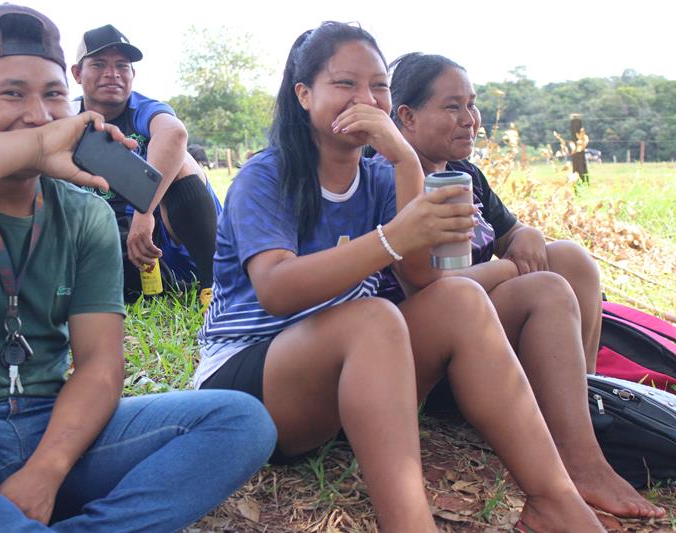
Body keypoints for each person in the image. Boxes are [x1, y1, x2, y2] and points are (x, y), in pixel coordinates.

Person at [194, 21, 611, 533]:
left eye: (379, 87)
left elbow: (426, 284)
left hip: (348, 381)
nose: (365, 99)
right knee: (373, 317)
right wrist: (392, 237)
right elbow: (276, 290)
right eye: (345, 84)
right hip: (254, 382)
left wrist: (404, 158)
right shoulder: (268, 174)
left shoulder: (381, 174)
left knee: (456, 300)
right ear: (304, 94)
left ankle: (555, 500)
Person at [0, 5, 275, 532]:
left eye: (53, 96)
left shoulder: (82, 212)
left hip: (52, 428)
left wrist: (47, 470)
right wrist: (41, 145)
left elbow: (99, 365)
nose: (39, 114)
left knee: (238, 420)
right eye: (13, 94)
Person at [386, 52, 664, 520]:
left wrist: (526, 235)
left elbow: (510, 235)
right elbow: (427, 287)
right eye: (453, 107)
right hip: (434, 356)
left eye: (471, 105)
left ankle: (580, 414)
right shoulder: (392, 178)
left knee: (571, 259)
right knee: (546, 290)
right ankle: (580, 465)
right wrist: (508, 271)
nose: (470, 119)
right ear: (407, 117)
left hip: (481, 319)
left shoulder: (466, 174)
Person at [71, 24, 221, 306]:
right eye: (99, 64)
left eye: (122, 65)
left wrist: (145, 209)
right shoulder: (67, 119)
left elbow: (174, 134)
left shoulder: (142, 109)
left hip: (164, 241)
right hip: (107, 253)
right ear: (77, 73)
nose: (112, 74)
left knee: (183, 160)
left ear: (132, 74)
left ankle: (213, 284)